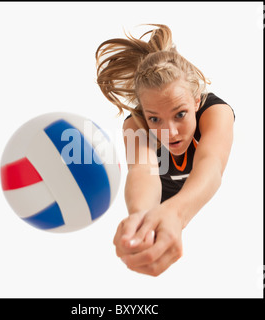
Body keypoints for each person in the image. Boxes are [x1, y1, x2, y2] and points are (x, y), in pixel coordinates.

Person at [95, 24, 235, 276]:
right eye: (155, 119)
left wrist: (175, 214)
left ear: (196, 101)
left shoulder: (216, 112)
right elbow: (142, 171)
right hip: (163, 207)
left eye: (180, 114)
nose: (169, 132)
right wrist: (140, 218)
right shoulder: (135, 125)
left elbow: (211, 163)